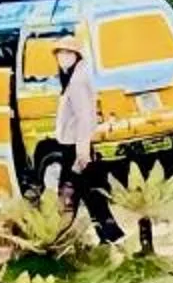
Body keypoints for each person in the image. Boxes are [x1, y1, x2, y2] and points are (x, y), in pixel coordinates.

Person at [50, 36, 121, 244]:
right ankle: (110, 236)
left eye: (67, 53)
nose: (63, 57)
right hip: (75, 146)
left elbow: (84, 118)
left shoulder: (78, 80)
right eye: (60, 53)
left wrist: (82, 152)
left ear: (76, 55)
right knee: (91, 195)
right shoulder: (72, 77)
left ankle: (56, 240)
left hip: (76, 148)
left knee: (68, 196)